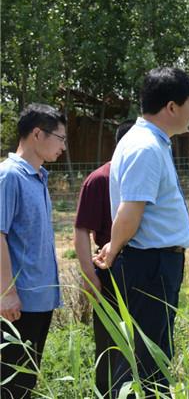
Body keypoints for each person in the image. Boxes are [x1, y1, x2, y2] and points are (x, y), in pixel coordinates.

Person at [92, 67, 189, 397]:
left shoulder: (150, 143)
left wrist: (116, 244)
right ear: (171, 107)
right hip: (149, 266)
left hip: (152, 263)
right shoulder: (145, 148)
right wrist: (115, 245)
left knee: (150, 352)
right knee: (152, 359)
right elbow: (130, 210)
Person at [0, 103, 67, 398]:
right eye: (61, 138)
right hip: (18, 303)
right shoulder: (9, 176)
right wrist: (6, 292)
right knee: (11, 382)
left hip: (39, 299)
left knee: (26, 381)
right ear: (38, 134)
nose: (63, 147)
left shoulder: (38, 177)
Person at [73, 119, 134, 396]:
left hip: (147, 267)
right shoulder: (99, 179)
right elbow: (81, 229)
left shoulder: (147, 177)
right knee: (110, 341)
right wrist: (89, 276)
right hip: (110, 267)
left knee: (142, 339)